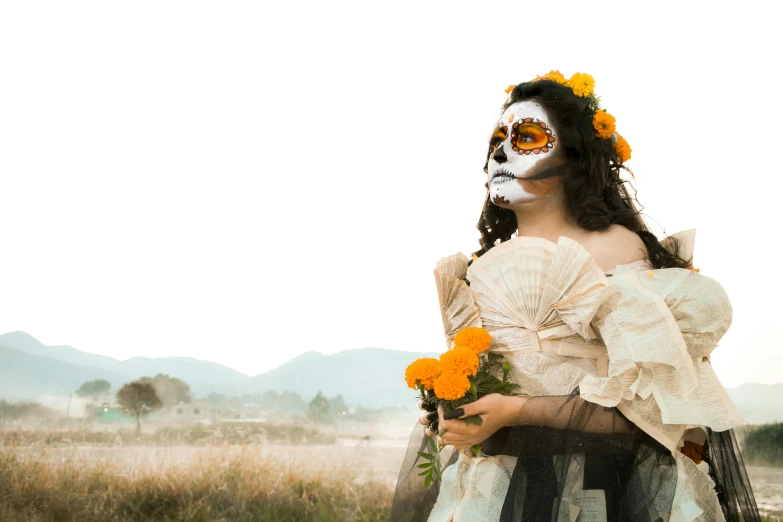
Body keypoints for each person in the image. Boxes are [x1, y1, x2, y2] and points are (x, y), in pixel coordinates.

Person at [389, 72, 760, 522]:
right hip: (493, 486)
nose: (502, 152)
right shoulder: (485, 265)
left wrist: (516, 411)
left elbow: (650, 409)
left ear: (575, 155)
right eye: (496, 141)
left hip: (601, 487)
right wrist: (452, 411)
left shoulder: (615, 249)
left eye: (526, 137)